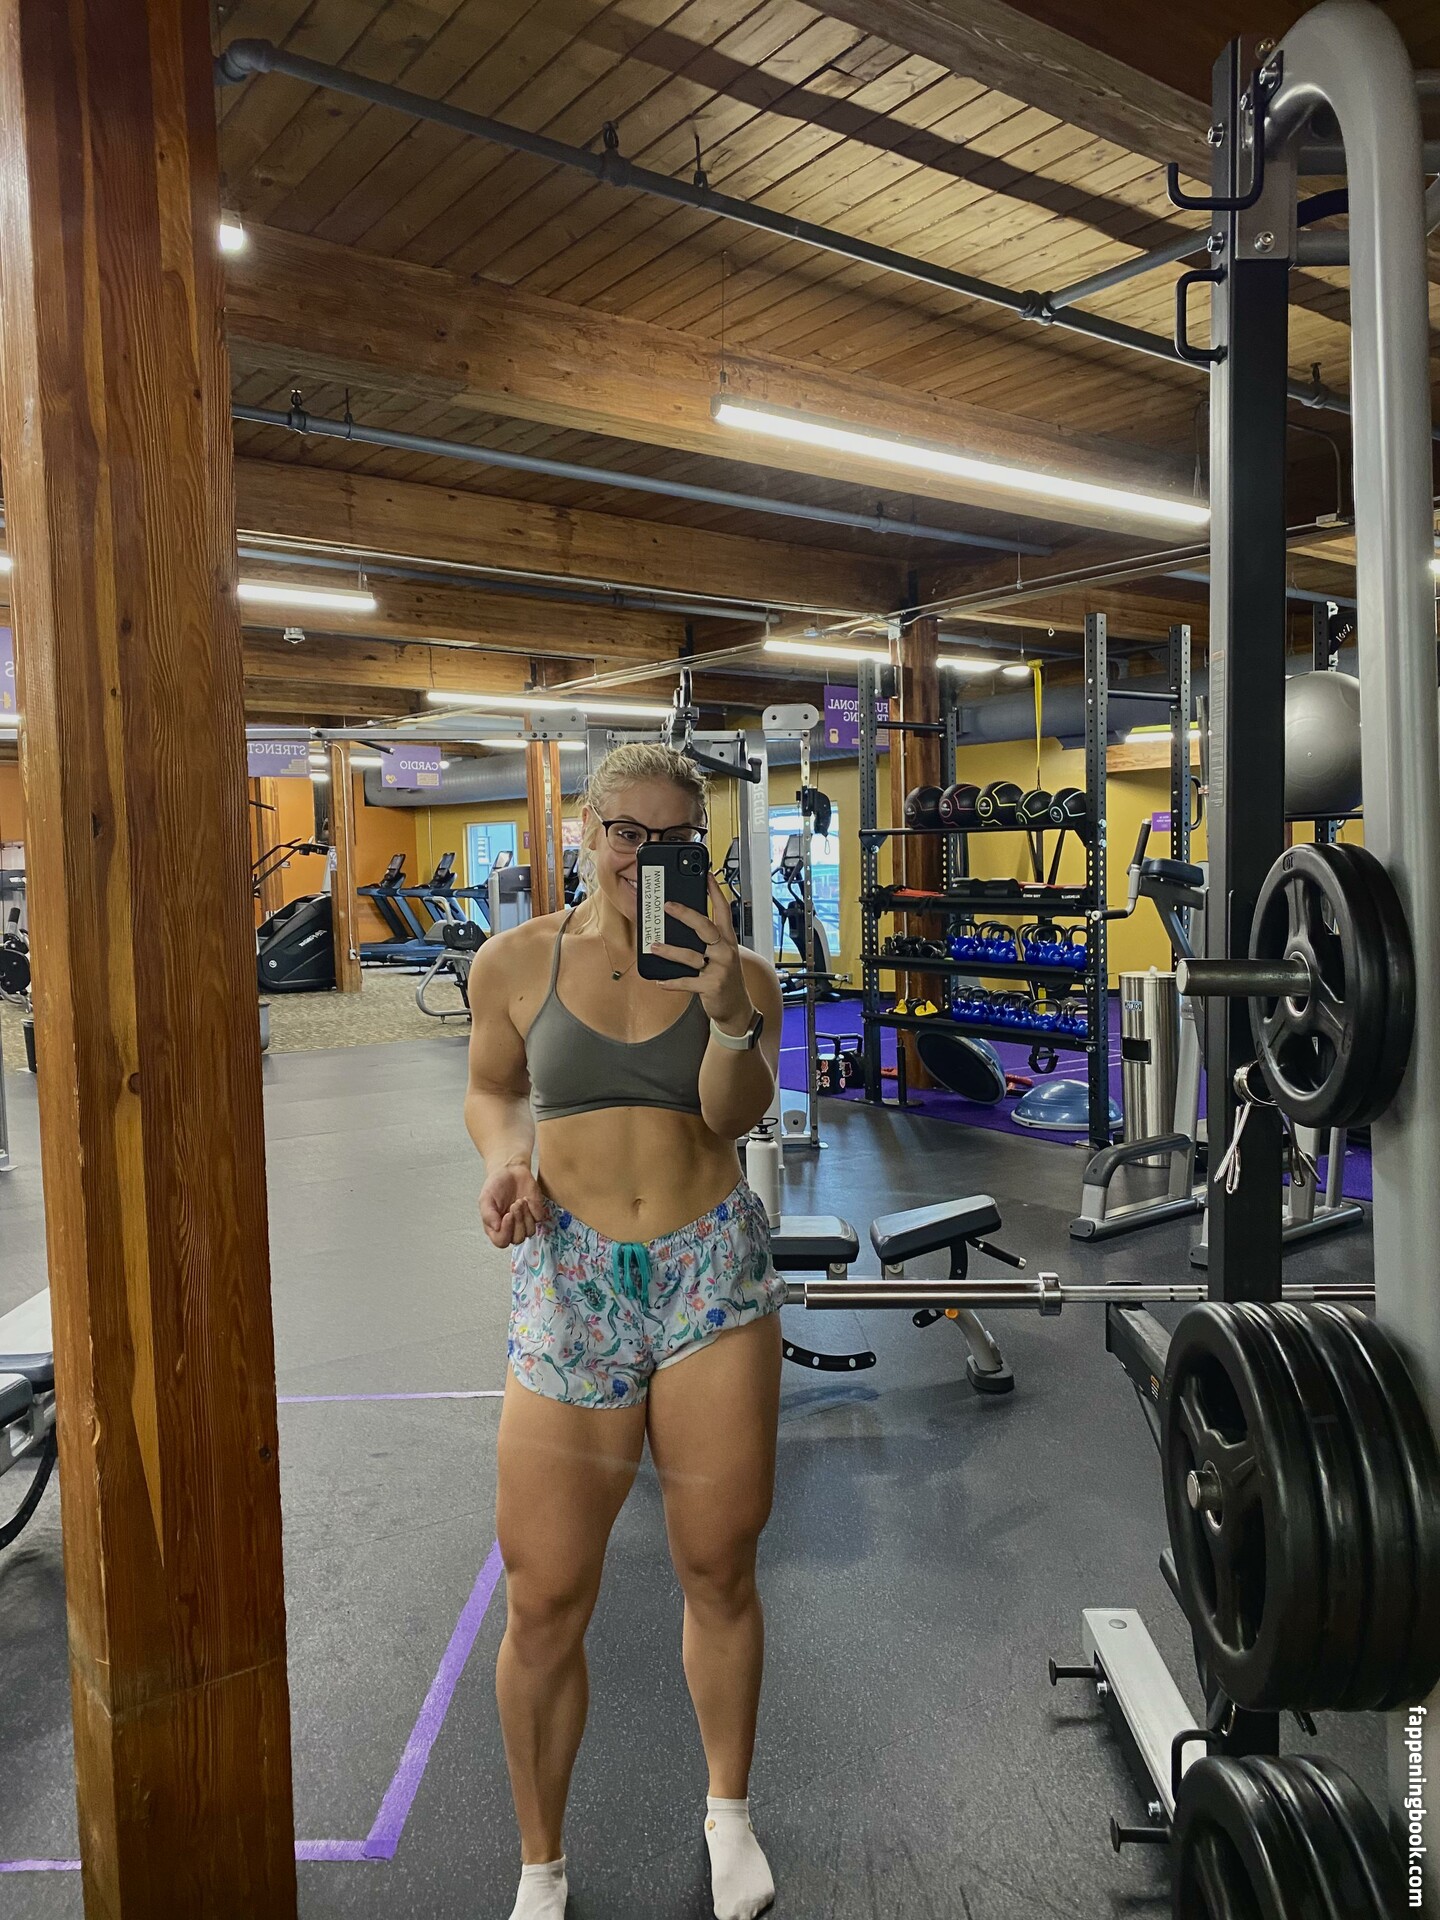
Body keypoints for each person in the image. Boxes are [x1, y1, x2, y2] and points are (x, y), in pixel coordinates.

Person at [465, 743, 787, 1920]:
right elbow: (495, 1089)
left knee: (719, 1566)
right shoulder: (513, 962)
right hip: (571, 1281)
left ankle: (729, 1815)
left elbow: (733, 1116)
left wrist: (727, 1011)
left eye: (674, 839)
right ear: (588, 831)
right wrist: (508, 1161)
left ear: (703, 846)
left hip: (711, 1275)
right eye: (628, 834)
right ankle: (540, 1864)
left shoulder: (744, 972)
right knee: (544, 1596)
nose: (645, 857)